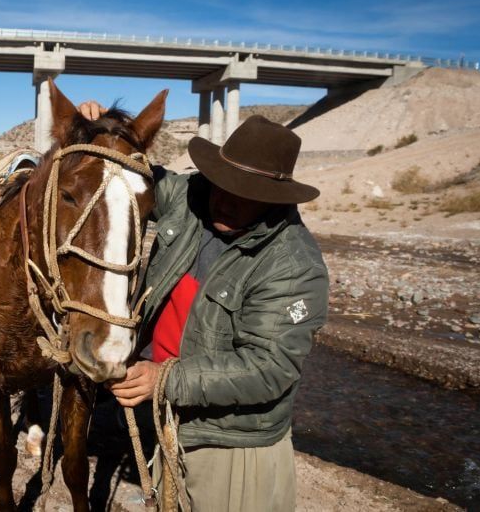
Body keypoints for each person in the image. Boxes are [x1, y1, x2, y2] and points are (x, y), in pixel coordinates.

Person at [79, 101, 329, 512]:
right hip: (172, 417)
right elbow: (133, 175)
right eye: (221, 183)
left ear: (273, 198)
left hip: (230, 441)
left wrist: (165, 379)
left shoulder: (293, 265)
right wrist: (105, 130)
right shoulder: (196, 197)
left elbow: (269, 367)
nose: (226, 201)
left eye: (245, 194)